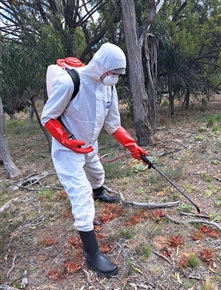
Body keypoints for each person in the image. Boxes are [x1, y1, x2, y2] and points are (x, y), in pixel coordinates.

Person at [41, 42, 148, 277]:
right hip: (68, 151)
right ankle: (92, 254)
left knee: (98, 174)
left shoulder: (108, 87)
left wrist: (133, 147)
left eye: (119, 75)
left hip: (90, 145)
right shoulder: (70, 82)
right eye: (114, 73)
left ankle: (98, 192)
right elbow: (48, 117)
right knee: (81, 197)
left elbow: (112, 124)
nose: (115, 79)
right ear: (100, 65)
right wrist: (67, 140)